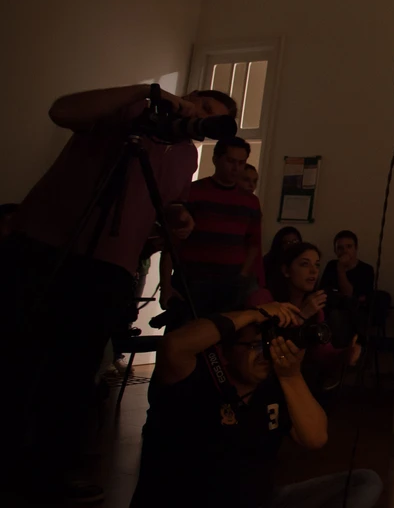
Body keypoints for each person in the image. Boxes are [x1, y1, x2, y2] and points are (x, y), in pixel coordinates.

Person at [0, 83, 233, 503]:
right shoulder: (133, 114)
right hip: (46, 249)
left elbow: (168, 203)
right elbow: (61, 110)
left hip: (110, 269)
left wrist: (178, 216)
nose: (199, 118)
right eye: (201, 107)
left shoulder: (186, 155)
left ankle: (49, 471)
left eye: (209, 119)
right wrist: (147, 92)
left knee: (74, 373)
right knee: (19, 355)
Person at [129, 300, 381, 508]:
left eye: (270, 345)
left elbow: (315, 438)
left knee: (365, 482)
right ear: (226, 351)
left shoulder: (275, 387)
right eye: (255, 345)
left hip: (259, 500)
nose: (265, 354)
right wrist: (253, 314)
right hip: (187, 500)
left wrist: (291, 376)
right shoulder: (195, 377)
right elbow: (172, 345)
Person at [161, 137, 263, 323]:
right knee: (184, 334)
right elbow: (171, 243)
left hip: (229, 283)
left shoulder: (250, 202)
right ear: (216, 159)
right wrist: (166, 285)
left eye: (241, 163)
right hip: (191, 281)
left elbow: (253, 243)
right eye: (231, 161)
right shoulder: (193, 192)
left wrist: (242, 276)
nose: (236, 168)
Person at [247, 242, 361, 392]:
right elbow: (267, 348)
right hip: (260, 379)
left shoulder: (315, 309)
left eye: (317, 265)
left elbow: (321, 353)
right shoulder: (264, 298)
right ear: (286, 270)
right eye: (305, 264)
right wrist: (302, 315)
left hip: (294, 381)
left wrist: (345, 354)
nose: (313, 271)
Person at [263, 226, 303, 291]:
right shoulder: (270, 261)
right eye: (287, 242)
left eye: (295, 241)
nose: (292, 245)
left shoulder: (303, 260)